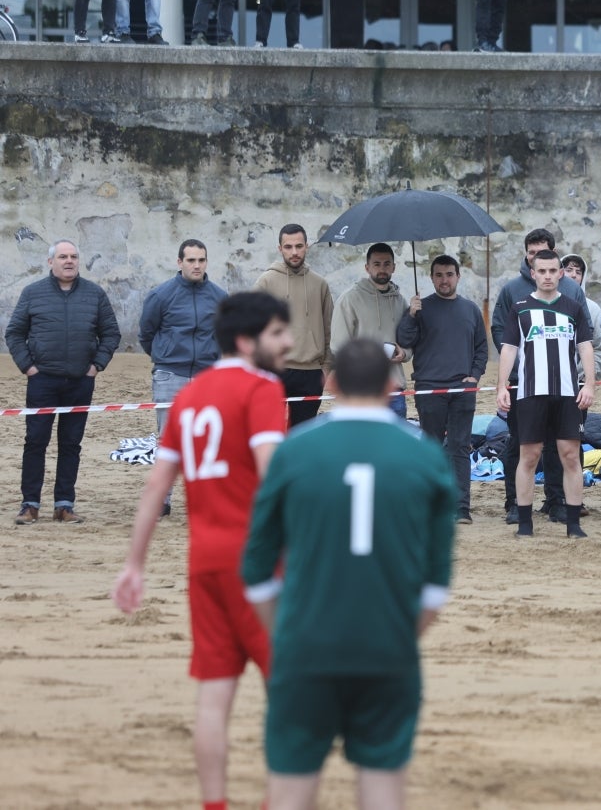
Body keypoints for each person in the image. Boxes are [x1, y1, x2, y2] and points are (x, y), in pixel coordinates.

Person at [240, 338, 456, 810]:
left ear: (331, 382)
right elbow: (436, 585)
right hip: (387, 645)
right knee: (382, 786)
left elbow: (256, 569)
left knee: (291, 788)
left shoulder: (294, 450)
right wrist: (401, 637)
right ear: (390, 385)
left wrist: (285, 636)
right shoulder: (424, 455)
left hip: (306, 645)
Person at [112, 291, 292, 810]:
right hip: (257, 564)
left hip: (204, 562)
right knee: (289, 691)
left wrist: (134, 565)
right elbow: (271, 474)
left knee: (215, 694)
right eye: (278, 333)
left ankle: (215, 803)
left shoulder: (189, 396)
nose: (288, 342)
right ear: (246, 340)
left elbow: (155, 489)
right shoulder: (261, 388)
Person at [7, 240, 120, 526]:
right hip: (42, 381)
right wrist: (29, 367)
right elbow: (14, 333)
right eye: (62, 257)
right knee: (35, 442)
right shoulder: (32, 293)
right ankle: (30, 504)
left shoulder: (95, 294)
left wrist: (96, 366)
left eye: (73, 256)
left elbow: (111, 334)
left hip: (80, 382)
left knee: (71, 444)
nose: (69, 261)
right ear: (50, 262)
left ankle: (64, 505)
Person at [492, 229, 591, 524]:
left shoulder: (572, 292)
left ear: (556, 260)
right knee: (520, 445)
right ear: (527, 257)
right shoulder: (512, 290)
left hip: (563, 384)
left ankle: (557, 501)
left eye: (543, 253)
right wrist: (520, 361)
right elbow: (501, 331)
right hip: (525, 382)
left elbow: (584, 337)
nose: (538, 260)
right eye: (533, 254)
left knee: (562, 446)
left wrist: (587, 379)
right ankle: (515, 503)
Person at [138, 238, 228, 517]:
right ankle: (162, 500)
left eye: (201, 260)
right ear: (180, 263)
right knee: (168, 441)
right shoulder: (161, 295)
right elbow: (146, 333)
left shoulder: (219, 297)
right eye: (191, 260)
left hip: (207, 377)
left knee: (206, 440)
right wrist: (165, 356)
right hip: (169, 375)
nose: (197, 265)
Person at [396, 254, 487, 525]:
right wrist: (411, 314)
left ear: (458, 276)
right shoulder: (421, 308)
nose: (444, 280)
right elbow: (404, 340)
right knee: (432, 447)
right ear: (431, 277)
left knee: (459, 447)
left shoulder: (470, 309)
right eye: (438, 275)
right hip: (429, 389)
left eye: (449, 274)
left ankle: (461, 507)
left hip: (462, 388)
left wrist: (474, 376)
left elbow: (482, 347)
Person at [255, 223, 333, 428]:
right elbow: (252, 327)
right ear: (280, 249)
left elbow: (328, 329)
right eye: (288, 247)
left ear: (307, 246)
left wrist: (325, 368)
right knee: (271, 432)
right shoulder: (266, 282)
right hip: (275, 369)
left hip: (311, 373)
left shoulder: (320, 284)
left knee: (303, 437)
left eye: (299, 246)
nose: (294, 252)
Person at [332, 243, 411, 417]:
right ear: (367, 267)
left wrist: (404, 353)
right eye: (377, 264)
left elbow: (409, 339)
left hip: (394, 388)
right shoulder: (349, 299)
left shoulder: (401, 301)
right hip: (361, 390)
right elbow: (338, 346)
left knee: (394, 444)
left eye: (386, 264)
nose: (382, 269)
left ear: (394, 267)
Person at [561, 253, 601, 383]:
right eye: (569, 270)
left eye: (578, 272)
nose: (573, 275)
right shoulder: (544, 304)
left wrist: (585, 376)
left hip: (579, 381)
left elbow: (600, 348)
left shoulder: (592, 309)